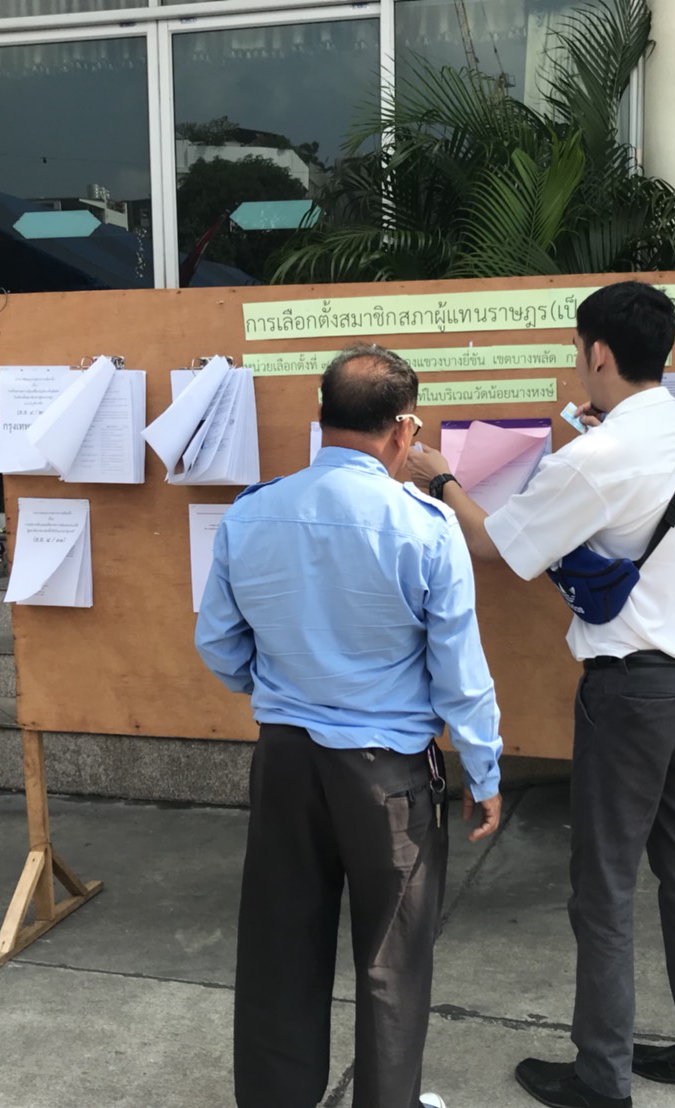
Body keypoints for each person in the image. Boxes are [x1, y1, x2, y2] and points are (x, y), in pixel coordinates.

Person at [408, 282, 675, 1108]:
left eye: (576, 351)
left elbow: (494, 547)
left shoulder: (591, 458)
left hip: (634, 695)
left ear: (598, 353)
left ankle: (602, 1078)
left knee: (603, 888)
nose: (576, 363)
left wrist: (442, 477)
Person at [196, 343, 503, 1108]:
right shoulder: (427, 527)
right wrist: (486, 771)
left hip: (286, 762)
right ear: (405, 432)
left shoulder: (251, 513)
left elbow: (218, 644)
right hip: (387, 776)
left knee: (278, 946)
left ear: (320, 421)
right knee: (392, 959)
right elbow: (460, 675)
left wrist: (276, 688)